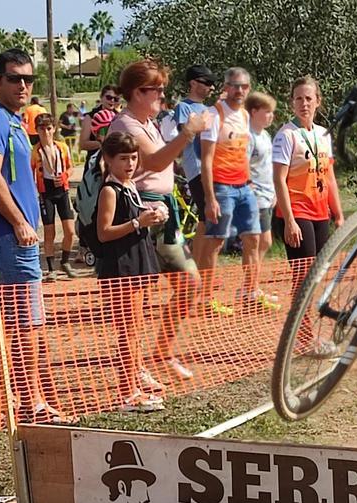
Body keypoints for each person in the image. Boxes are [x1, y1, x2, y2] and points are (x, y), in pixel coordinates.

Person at [0, 49, 69, 425]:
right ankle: (30, 400)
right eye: (14, 78)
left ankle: (12, 396)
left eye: (29, 78)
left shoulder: (11, 120)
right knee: (26, 323)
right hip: (8, 238)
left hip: (9, 237)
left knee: (13, 322)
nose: (23, 85)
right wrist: (19, 222)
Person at [108, 59, 209, 379]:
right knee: (137, 298)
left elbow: (161, 162)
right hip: (139, 214)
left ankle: (161, 352)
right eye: (158, 90)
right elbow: (152, 161)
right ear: (138, 92)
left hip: (163, 215)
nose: (163, 97)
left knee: (189, 282)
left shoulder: (148, 122)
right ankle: (133, 368)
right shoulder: (126, 125)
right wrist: (189, 133)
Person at [93, 131, 166, 413]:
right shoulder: (110, 191)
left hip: (137, 265)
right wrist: (138, 223)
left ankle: (135, 380)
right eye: (124, 158)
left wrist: (153, 215)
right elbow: (104, 232)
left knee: (135, 328)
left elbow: (137, 218)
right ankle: (128, 393)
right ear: (109, 160)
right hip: (120, 269)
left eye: (134, 158)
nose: (130, 163)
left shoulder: (130, 186)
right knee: (128, 332)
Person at [272, 75, 344, 347]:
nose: (304, 103)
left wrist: (338, 213)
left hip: (320, 213)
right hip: (297, 212)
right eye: (299, 98)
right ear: (291, 103)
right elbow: (278, 179)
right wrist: (289, 220)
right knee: (302, 278)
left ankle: (302, 333)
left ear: (318, 102)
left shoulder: (324, 134)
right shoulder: (286, 135)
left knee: (315, 276)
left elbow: (330, 177)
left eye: (309, 98)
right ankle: (302, 337)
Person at [198, 67, 275, 313]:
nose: (239, 90)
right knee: (216, 242)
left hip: (244, 187)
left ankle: (251, 292)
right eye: (234, 85)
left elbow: (246, 153)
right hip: (222, 187)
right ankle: (207, 298)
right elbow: (206, 160)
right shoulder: (215, 115)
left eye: (244, 86)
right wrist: (210, 198)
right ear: (226, 87)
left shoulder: (244, 116)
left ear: (248, 89)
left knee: (254, 238)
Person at [30, 114, 77, 281]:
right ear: (37, 130)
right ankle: (51, 269)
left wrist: (65, 176)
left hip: (62, 189)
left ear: (54, 129)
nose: (46, 132)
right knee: (49, 232)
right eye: (42, 129)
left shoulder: (62, 147)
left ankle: (65, 261)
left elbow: (71, 168)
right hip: (46, 192)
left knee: (70, 231)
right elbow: (30, 173)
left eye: (49, 128)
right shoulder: (35, 151)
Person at [245, 90, 278, 302]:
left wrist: (274, 191)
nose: (271, 116)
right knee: (255, 242)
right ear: (254, 112)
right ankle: (249, 289)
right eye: (267, 112)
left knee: (264, 242)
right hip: (253, 196)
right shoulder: (247, 136)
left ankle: (252, 287)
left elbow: (268, 166)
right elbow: (241, 164)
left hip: (267, 195)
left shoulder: (265, 135)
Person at [175, 65, 216, 225]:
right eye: (207, 82)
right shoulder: (183, 107)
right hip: (197, 170)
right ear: (192, 83)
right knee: (209, 216)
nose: (211, 87)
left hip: (213, 169)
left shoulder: (209, 110)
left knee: (209, 218)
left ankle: (199, 250)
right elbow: (186, 135)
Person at [79, 85, 121, 153]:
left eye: (116, 99)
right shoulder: (90, 117)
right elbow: (83, 144)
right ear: (101, 97)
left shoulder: (119, 116)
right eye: (109, 97)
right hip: (94, 159)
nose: (112, 100)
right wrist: (102, 144)